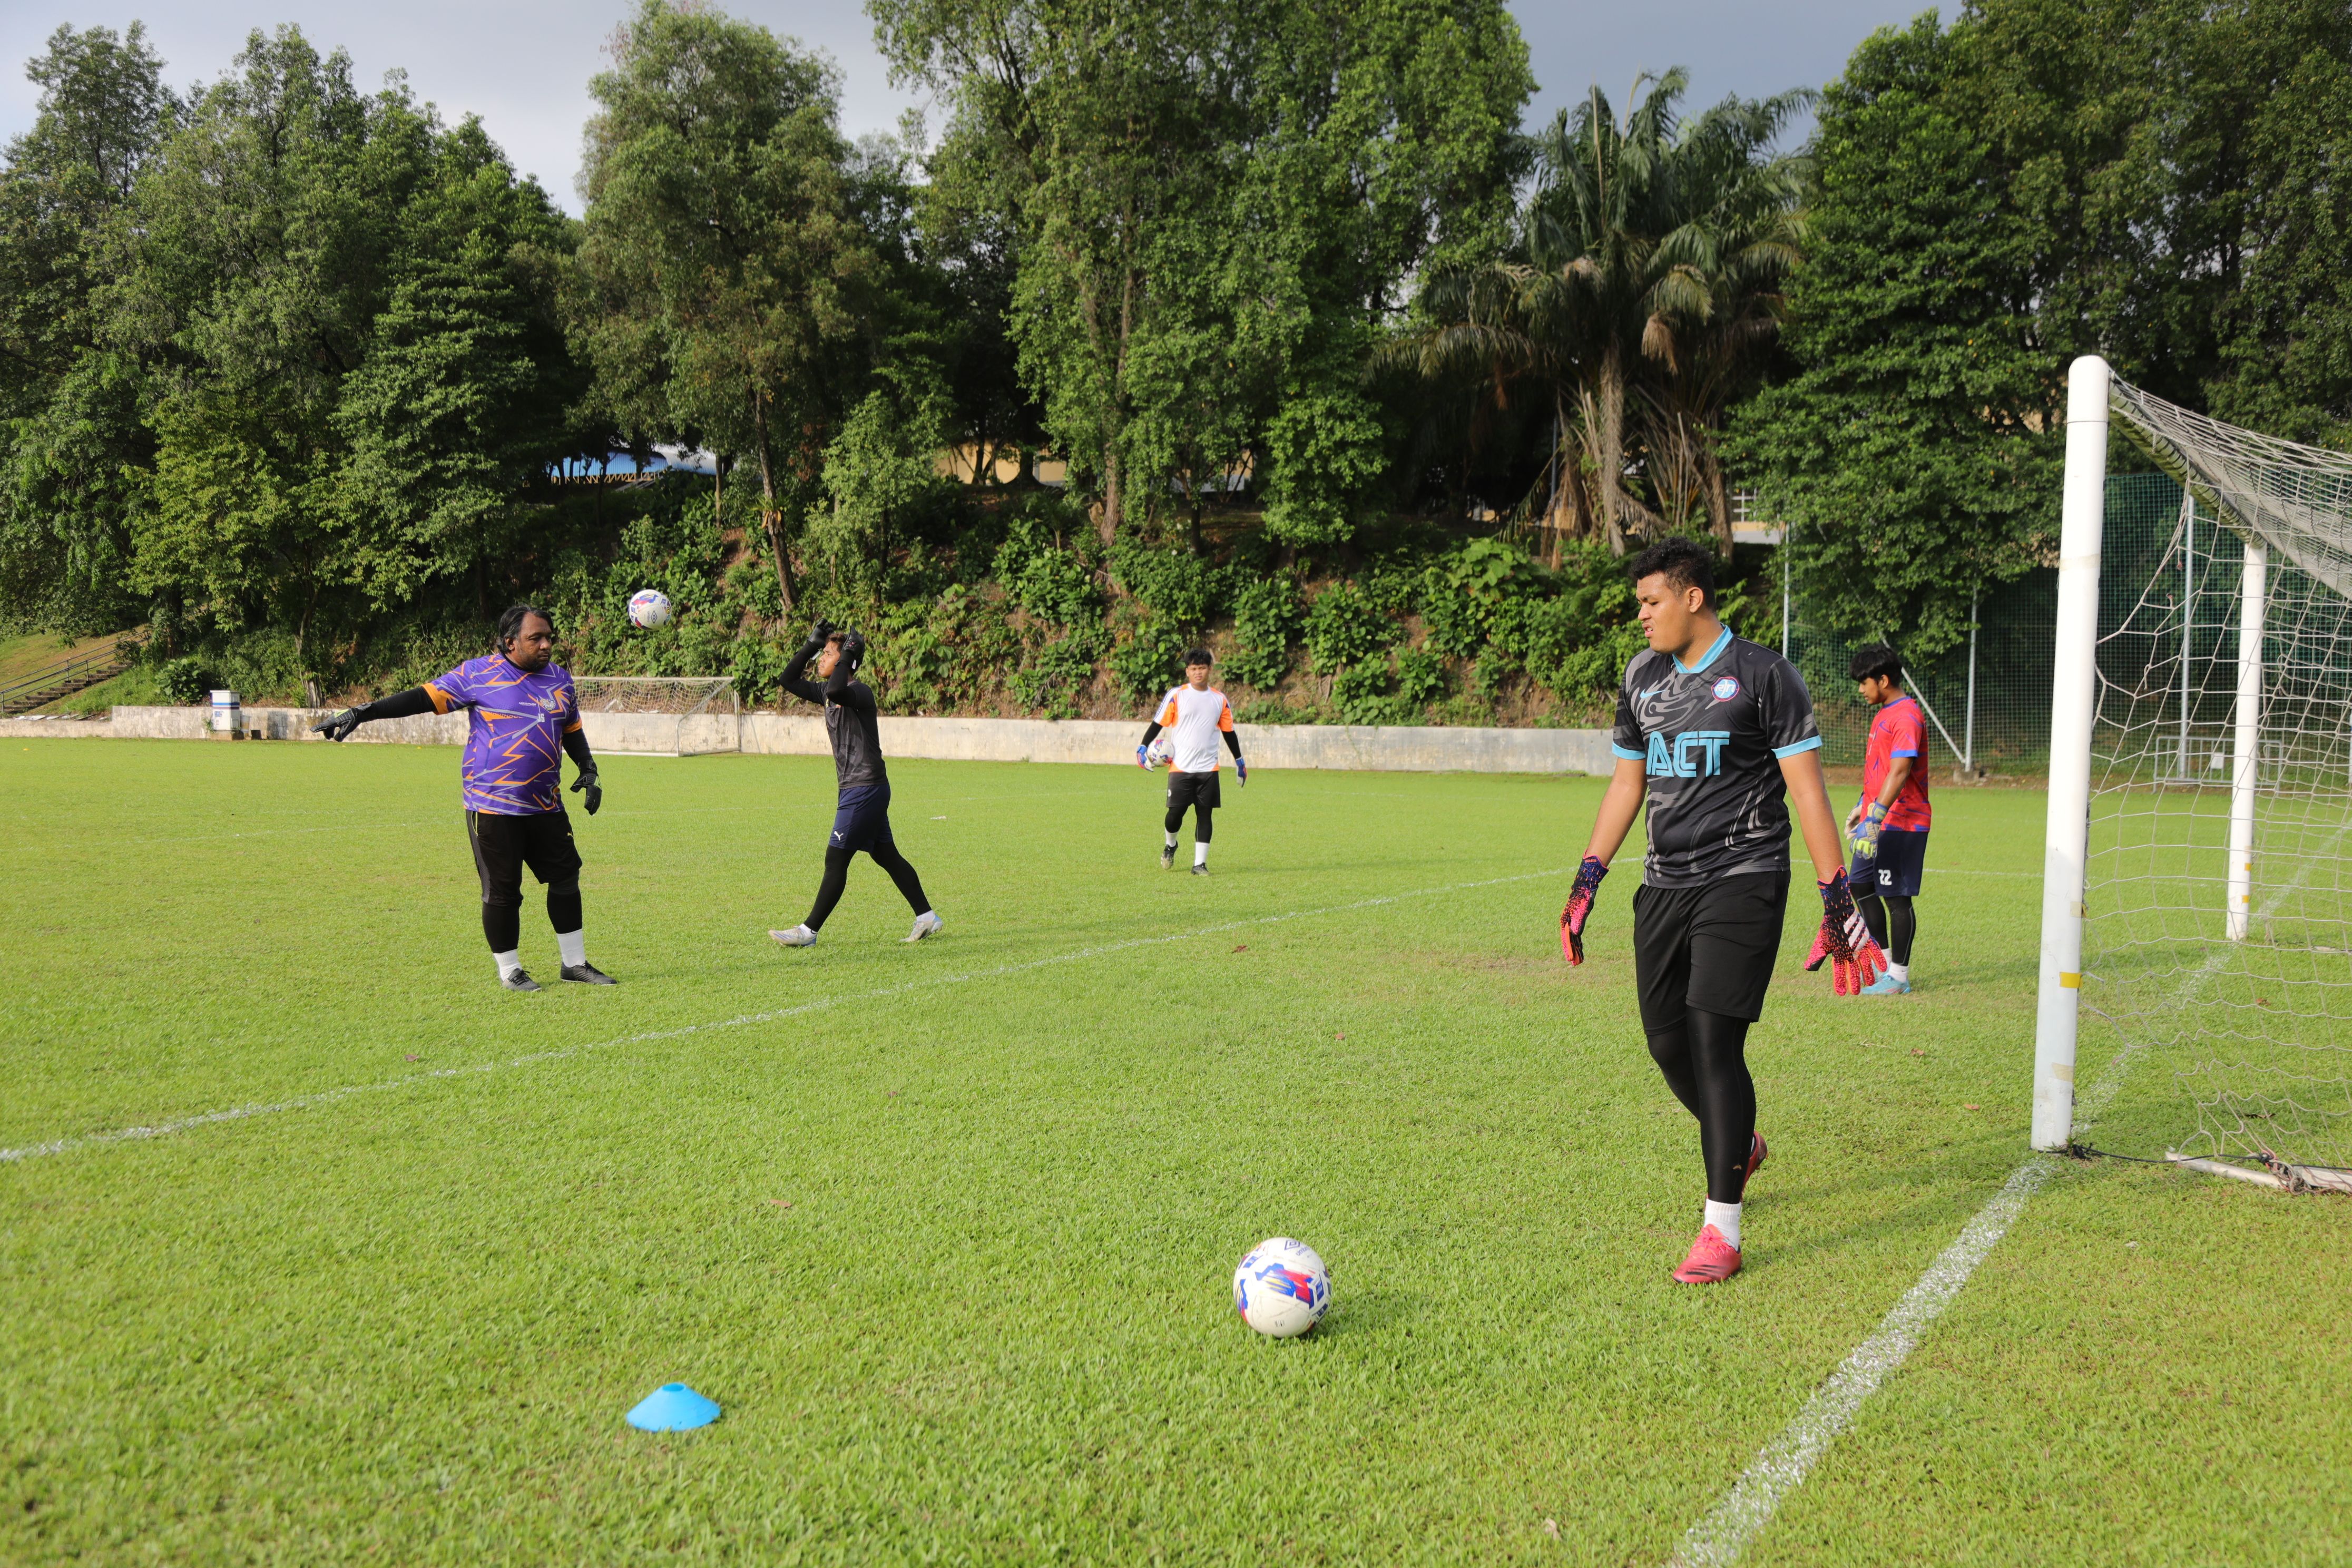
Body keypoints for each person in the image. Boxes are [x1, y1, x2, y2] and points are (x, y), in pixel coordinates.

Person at [1558, 538, 1883, 1285]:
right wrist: (1587, 880)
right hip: (1664, 885)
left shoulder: (1765, 676)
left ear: (1693, 598)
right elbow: (1626, 785)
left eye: (1651, 602)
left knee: (1712, 1039)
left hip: (1745, 878)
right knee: (1666, 1044)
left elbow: (1807, 790)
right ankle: (1741, 1142)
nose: (1640, 617)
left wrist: (1836, 896)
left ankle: (1721, 1230)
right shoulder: (1640, 677)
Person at [312, 604, 614, 992]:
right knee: (504, 891)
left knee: (566, 878)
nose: (546, 645)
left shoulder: (560, 680)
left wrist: (588, 767)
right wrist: (362, 712)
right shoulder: (478, 674)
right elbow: (421, 698)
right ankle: (510, 970)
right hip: (492, 805)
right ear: (510, 643)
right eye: (535, 638)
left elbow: (570, 728)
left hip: (546, 803)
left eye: (549, 637)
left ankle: (574, 964)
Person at [769, 622, 942, 948]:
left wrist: (848, 654)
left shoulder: (859, 691)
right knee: (886, 854)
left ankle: (808, 932)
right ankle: (927, 917)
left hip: (865, 789)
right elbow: (788, 680)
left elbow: (838, 690)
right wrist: (811, 644)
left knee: (836, 860)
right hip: (859, 788)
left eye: (828, 654)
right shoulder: (825, 693)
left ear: (847, 661)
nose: (821, 659)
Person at [1845, 643, 1932, 995]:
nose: (1861, 690)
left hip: (1901, 822)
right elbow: (1880, 770)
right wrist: (1861, 807)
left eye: (1865, 683)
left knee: (1896, 897)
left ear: (1883, 679)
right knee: (1860, 885)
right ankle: (1883, 964)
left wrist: (1876, 817)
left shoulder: (1906, 715)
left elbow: (1900, 771)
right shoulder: (1884, 713)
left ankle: (1898, 976)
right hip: (1876, 819)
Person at [1138, 648, 1246, 874]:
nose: (1198, 673)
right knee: (1174, 815)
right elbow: (1158, 723)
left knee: (1205, 814)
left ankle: (1200, 865)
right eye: (1194, 669)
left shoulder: (1219, 700)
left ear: (1209, 670)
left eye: (1203, 668)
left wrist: (1240, 761)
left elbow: (1229, 733)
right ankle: (1171, 844)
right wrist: (1143, 746)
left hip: (1209, 768)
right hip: (1180, 767)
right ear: (1187, 671)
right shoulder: (1177, 695)